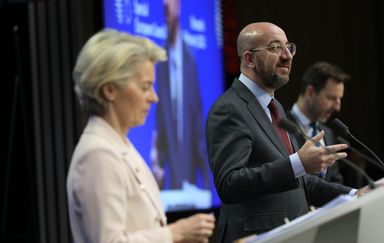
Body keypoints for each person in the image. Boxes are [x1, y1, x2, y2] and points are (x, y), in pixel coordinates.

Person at [205, 22, 365, 243]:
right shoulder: (229, 108)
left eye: (289, 47)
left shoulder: (276, 107)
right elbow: (229, 184)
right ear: (249, 59)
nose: (287, 55)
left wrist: (353, 194)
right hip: (255, 236)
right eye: (274, 47)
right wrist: (297, 163)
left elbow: (300, 181)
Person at [66, 29, 215, 243]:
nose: (154, 97)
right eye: (145, 87)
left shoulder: (119, 145)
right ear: (109, 90)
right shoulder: (98, 155)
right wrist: (175, 233)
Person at [151, 0, 210, 191]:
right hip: (169, 169)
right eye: (164, 8)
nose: (167, 10)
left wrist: (208, 184)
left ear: (178, 6)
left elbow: (197, 118)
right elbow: (161, 118)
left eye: (170, 6)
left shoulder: (190, 61)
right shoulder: (161, 62)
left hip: (191, 166)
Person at [287, 62, 351, 184]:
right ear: (310, 92)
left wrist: (354, 193)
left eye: (339, 99)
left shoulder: (328, 133)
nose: (338, 107)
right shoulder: (281, 127)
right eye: (332, 98)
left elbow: (334, 182)